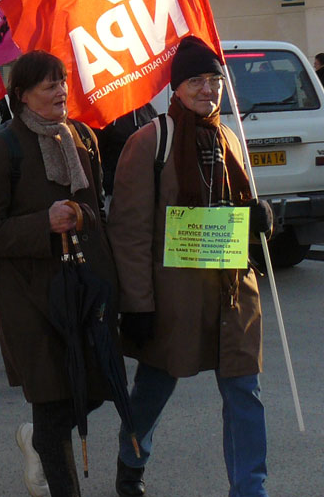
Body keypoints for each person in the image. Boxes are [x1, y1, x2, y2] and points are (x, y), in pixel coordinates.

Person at [107, 36, 273, 497]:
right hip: (174, 298)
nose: (207, 89)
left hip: (232, 295)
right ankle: (131, 461)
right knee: (155, 387)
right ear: (176, 88)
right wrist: (137, 304)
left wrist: (260, 219)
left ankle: (250, 489)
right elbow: (129, 232)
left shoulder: (229, 139)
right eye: (196, 80)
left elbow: (241, 212)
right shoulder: (149, 143)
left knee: (244, 393)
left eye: (214, 79)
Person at [0, 51, 116, 497]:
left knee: (93, 391)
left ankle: (36, 440)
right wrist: (41, 223)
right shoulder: (5, 145)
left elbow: (97, 213)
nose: (61, 92)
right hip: (30, 300)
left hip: (84, 291)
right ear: (23, 95)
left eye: (63, 82)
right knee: (52, 404)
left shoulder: (82, 136)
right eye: (49, 86)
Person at [96, 102, 158, 198]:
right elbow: (99, 153)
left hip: (147, 190)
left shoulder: (147, 109)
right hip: (117, 193)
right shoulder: (109, 113)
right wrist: (110, 183)